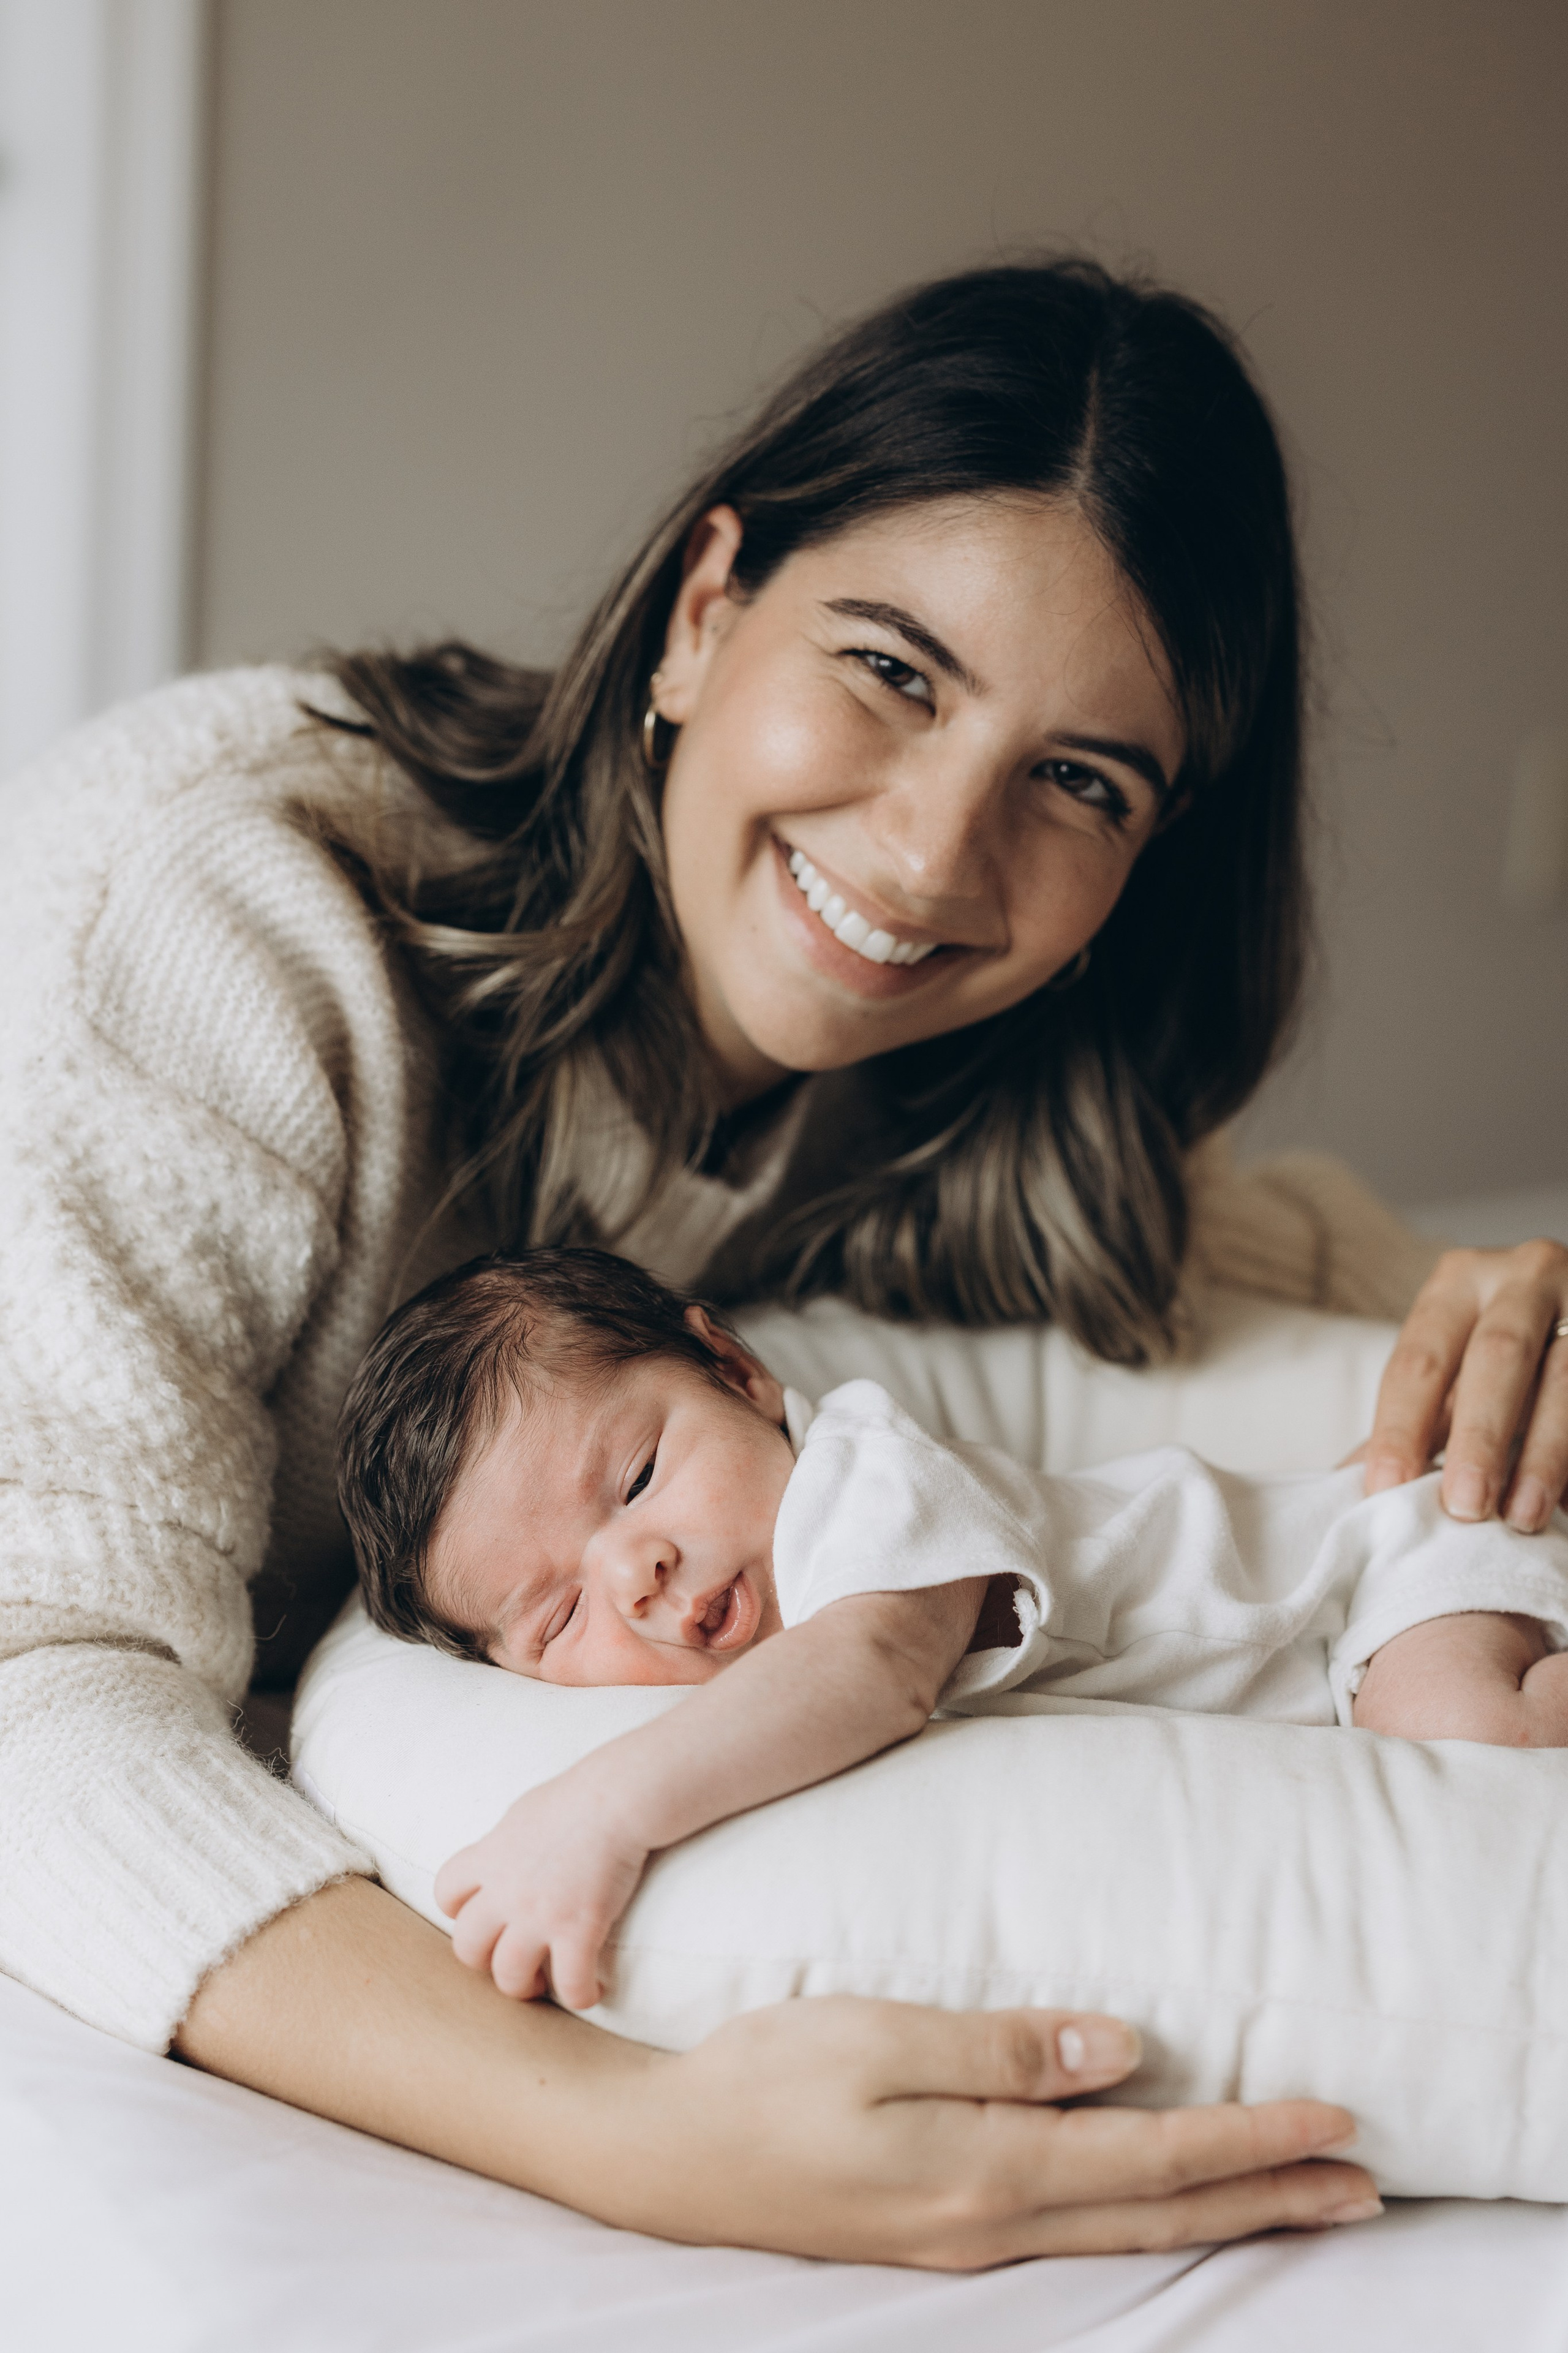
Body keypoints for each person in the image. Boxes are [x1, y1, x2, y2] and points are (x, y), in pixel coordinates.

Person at [2, 256, 1565, 2265]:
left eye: (1079, 781)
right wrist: (622, 2133)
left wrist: (1517, 1290)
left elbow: (1311, 1275)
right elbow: (40, 1688)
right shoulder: (216, 926)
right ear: (705, 605)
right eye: (894, 670)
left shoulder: (989, 1084)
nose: (928, 855)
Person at [335, 1244, 1568, 2012]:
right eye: (559, 1613)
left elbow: (867, 1671)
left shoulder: (862, 1481)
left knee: (1466, 1738)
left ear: (736, 1372)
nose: (636, 1569)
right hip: (1341, 1617)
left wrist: (598, 1810)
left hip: (1381, 1566)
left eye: (643, 1472)